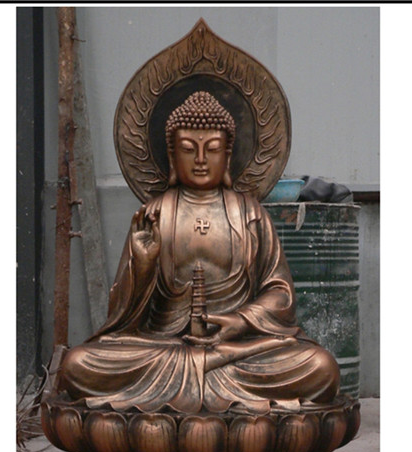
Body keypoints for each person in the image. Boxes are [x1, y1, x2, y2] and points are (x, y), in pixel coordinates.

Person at [59, 91, 340, 414]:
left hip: (236, 351)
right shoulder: (154, 215)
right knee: (77, 365)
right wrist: (143, 266)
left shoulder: (251, 214)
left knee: (320, 367)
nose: (202, 159)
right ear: (172, 155)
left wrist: (240, 321)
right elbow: (123, 318)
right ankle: (214, 388)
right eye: (189, 149)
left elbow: (280, 294)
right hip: (166, 349)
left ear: (228, 155)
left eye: (213, 149)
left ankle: (188, 392)